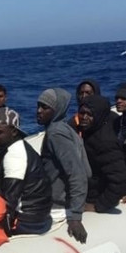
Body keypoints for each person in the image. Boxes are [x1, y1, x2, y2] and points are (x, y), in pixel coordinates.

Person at [0, 107, 53, 235]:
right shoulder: (22, 146)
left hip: (29, 222)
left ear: (13, 131)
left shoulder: (14, 155)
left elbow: (9, 202)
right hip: (41, 216)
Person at [36, 88, 89, 244]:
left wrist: (75, 217)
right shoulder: (65, 129)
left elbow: (77, 174)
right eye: (38, 106)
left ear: (56, 110)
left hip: (58, 208)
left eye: (45, 107)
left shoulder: (56, 134)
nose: (39, 111)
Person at [75, 96, 126, 213]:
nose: (84, 117)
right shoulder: (91, 128)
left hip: (97, 195)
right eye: (81, 113)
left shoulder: (104, 142)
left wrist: (99, 206)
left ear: (98, 115)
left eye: (89, 114)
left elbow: (121, 180)